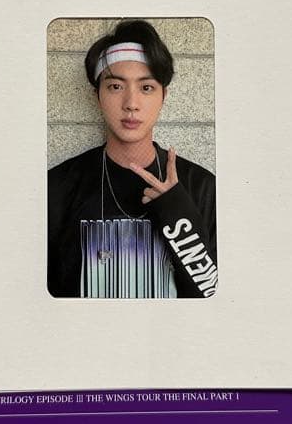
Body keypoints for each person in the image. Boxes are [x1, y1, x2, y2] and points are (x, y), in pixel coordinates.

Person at [48, 19, 217, 298]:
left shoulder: (202, 188)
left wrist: (179, 219)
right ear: (97, 95)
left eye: (146, 88)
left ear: (163, 96)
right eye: (115, 86)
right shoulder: (56, 188)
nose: (131, 104)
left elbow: (215, 302)